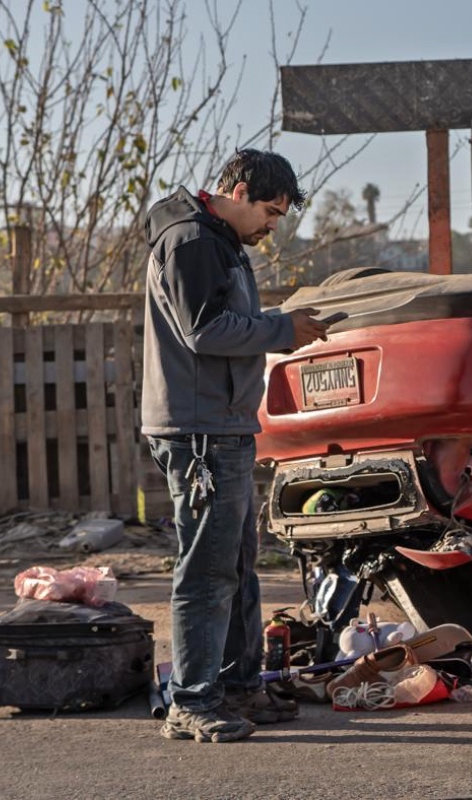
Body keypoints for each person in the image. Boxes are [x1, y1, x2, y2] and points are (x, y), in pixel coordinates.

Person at [142, 149, 331, 743]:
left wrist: (282, 319)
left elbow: (222, 321)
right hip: (200, 431)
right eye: (270, 213)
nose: (272, 227)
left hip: (221, 424)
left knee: (238, 565)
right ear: (239, 190)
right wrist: (282, 329)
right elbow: (205, 331)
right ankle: (192, 700)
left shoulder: (218, 240)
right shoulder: (192, 242)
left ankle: (237, 686)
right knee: (207, 570)